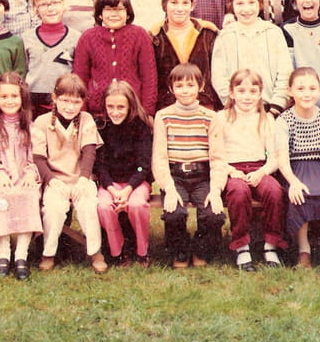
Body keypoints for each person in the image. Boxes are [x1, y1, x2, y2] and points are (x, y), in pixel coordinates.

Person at [207, 69, 287, 272]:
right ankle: (242, 246)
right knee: (239, 192)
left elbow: (274, 156)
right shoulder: (221, 118)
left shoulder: (266, 119)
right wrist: (230, 171)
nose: (247, 96)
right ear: (231, 93)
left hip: (259, 168)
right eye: (241, 91)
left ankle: (271, 245)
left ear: (260, 93)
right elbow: (216, 154)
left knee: (274, 191)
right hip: (233, 170)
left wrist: (263, 172)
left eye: (253, 91)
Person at [275, 67, 320, 272]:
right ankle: (304, 250)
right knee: (301, 194)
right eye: (300, 89)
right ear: (290, 91)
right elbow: (282, 157)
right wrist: (293, 181)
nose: (307, 93)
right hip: (296, 167)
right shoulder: (284, 119)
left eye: (312, 88)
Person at [32, 73, 107, 273]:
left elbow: (89, 152)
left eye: (76, 102)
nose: (70, 107)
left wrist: (83, 179)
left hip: (81, 177)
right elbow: (38, 158)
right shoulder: (42, 122)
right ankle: (48, 253)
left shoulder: (86, 119)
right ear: (55, 98)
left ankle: (95, 252)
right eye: (65, 100)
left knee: (88, 206)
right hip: (55, 179)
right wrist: (51, 181)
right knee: (53, 209)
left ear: (83, 102)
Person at [152, 63, 225, 269]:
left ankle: (202, 248)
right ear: (171, 88)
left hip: (203, 176)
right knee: (174, 212)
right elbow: (159, 157)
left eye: (190, 85)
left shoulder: (211, 117)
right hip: (175, 176)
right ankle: (180, 249)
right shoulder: (163, 116)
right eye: (179, 86)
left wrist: (216, 190)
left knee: (213, 214)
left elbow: (218, 158)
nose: (185, 90)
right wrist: (169, 188)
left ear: (200, 86)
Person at [0, 72, 42, 279]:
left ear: (22, 98)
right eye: (4, 97)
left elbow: (35, 158)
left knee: (29, 194)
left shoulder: (31, 127)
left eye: (14, 96)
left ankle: (21, 255)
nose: (9, 101)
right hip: (0, 178)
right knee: (3, 196)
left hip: (25, 177)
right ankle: (4, 252)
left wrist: (30, 174)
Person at [212, 0, 292, 117]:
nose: (246, 9)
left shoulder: (273, 33)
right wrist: (231, 104)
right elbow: (218, 76)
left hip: (270, 110)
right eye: (240, 3)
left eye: (251, 2)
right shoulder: (225, 36)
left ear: (260, 4)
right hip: (236, 111)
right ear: (231, 6)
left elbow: (285, 72)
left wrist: (276, 107)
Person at [73, 0, 157, 116]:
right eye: (108, 9)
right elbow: (80, 78)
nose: (114, 14)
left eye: (119, 9)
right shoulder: (88, 37)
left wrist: (147, 113)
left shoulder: (139, 35)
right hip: (97, 113)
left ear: (128, 13)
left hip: (133, 112)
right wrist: (82, 114)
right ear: (100, 14)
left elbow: (149, 78)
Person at [95, 81, 153, 268]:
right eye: (110, 107)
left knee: (136, 205)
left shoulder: (141, 127)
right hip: (110, 183)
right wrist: (112, 189)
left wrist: (128, 190)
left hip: (136, 182)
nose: (115, 112)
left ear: (130, 106)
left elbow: (143, 165)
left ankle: (142, 251)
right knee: (104, 206)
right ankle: (118, 251)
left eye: (121, 107)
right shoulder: (102, 127)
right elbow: (100, 165)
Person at [150, 0, 221, 111]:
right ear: (164, 5)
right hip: (168, 106)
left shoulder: (208, 32)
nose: (180, 9)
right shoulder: (155, 36)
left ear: (193, 5)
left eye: (185, 3)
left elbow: (218, 72)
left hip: (204, 104)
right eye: (174, 3)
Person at [22, 0, 80, 118]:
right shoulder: (27, 37)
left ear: (63, 5)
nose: (50, 8)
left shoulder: (76, 37)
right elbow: (24, 69)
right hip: (33, 99)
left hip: (65, 98)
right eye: (44, 4)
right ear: (36, 9)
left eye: (55, 3)